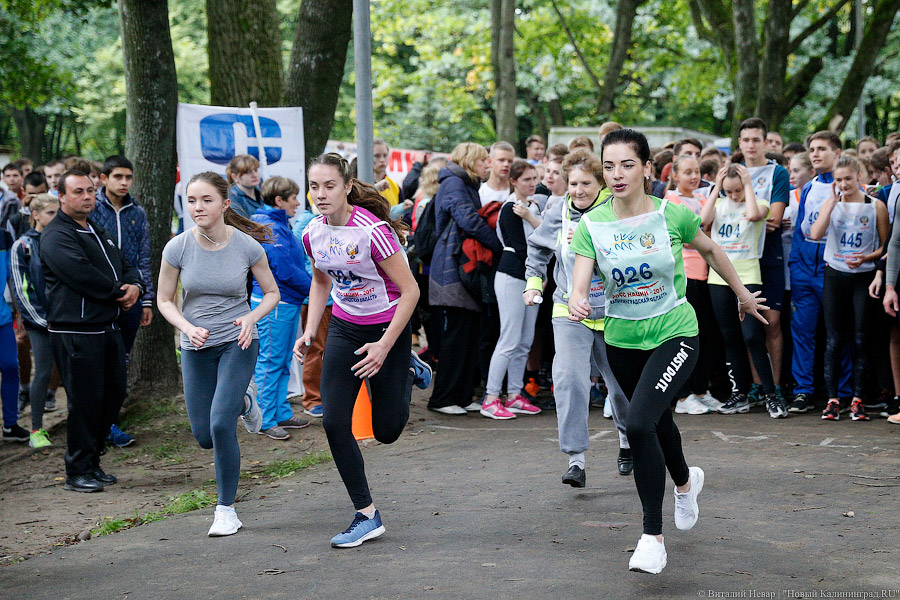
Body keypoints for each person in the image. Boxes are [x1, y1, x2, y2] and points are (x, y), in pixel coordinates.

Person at [568, 129, 767, 574]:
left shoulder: (670, 214)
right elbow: (581, 280)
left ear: (645, 170)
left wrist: (743, 296)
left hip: (676, 333)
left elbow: (712, 249)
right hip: (622, 340)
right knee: (657, 423)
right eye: (609, 166)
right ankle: (685, 481)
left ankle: (651, 537)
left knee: (638, 423)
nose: (616, 174)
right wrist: (579, 299)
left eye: (626, 165)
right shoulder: (592, 224)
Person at [296, 152, 421, 548]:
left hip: (387, 329)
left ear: (347, 186)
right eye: (314, 186)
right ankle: (366, 514)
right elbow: (320, 281)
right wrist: (311, 330)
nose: (320, 194)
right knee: (334, 422)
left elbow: (411, 290)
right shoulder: (312, 232)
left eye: (329, 185)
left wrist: (386, 347)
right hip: (346, 329)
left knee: (385, 431)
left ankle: (408, 368)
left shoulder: (373, 231)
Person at [158, 171, 279, 535]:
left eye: (206, 200)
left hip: (237, 341)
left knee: (219, 423)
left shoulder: (246, 246)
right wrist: (186, 327)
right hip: (196, 346)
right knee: (204, 435)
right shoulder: (177, 247)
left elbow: (272, 293)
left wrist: (250, 317)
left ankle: (226, 509)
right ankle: (245, 403)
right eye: (192, 200)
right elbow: (164, 300)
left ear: (225, 204)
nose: (198, 207)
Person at [524, 149, 633, 485]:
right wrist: (533, 284)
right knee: (570, 380)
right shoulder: (558, 210)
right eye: (573, 183)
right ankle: (576, 460)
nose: (579, 190)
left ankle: (628, 441)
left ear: (601, 184)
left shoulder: (616, 212)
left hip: (614, 311)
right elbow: (538, 249)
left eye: (586, 183)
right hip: (569, 308)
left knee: (619, 388)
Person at [40, 169, 144, 492]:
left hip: (108, 327)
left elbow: (124, 261)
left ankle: (93, 460)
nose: (87, 197)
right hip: (76, 332)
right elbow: (81, 275)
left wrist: (136, 285)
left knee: (113, 394)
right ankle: (78, 469)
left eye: (90, 191)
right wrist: (118, 290)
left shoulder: (97, 229)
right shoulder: (56, 235)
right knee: (85, 401)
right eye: (78, 192)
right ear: (61, 196)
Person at [809, 156, 888, 421]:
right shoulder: (831, 203)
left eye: (848, 179)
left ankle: (857, 398)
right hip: (835, 274)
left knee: (861, 338)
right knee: (833, 339)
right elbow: (815, 234)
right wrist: (831, 202)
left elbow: (885, 247)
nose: (843, 184)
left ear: (859, 178)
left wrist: (867, 258)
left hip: (863, 276)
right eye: (838, 179)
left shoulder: (875, 206)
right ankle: (833, 399)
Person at [700, 165, 783, 417]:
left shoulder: (759, 202)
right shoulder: (720, 203)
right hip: (718, 277)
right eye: (729, 191)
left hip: (748, 275)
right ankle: (739, 394)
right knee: (730, 339)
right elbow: (702, 221)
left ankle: (771, 395)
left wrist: (747, 185)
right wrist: (716, 188)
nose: (734, 195)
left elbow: (754, 216)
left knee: (752, 337)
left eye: (738, 190)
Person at [428, 143, 502, 414]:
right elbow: (469, 221)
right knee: (457, 335)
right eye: (484, 159)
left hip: (460, 265)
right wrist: (498, 244)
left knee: (468, 333)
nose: (488, 164)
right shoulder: (455, 184)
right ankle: (443, 398)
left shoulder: (463, 183)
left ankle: (460, 395)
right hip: (453, 267)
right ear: (471, 160)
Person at [788, 131, 853, 414]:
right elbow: (801, 230)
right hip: (804, 271)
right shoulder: (811, 187)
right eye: (812, 149)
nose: (815, 154)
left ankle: (845, 392)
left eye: (822, 149)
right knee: (802, 332)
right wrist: (796, 266)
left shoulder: (849, 189)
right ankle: (803, 391)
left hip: (834, 270)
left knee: (839, 333)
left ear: (837, 153)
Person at [92, 155, 154, 448]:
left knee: (122, 360)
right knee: (98, 361)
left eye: (128, 177)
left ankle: (112, 422)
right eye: (118, 176)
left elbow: (144, 256)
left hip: (133, 295)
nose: (124, 182)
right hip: (100, 298)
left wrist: (146, 299)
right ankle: (94, 422)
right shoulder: (91, 208)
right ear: (103, 178)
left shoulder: (137, 212)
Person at [250, 177, 312, 440]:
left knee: (283, 359)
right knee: (271, 360)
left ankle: (280, 412)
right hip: (276, 303)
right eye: (293, 198)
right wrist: (317, 289)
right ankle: (264, 419)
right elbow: (285, 270)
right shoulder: (270, 228)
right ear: (279, 200)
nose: (298, 203)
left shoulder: (276, 224)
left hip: (285, 302)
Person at [481, 160, 543, 419]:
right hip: (513, 277)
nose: (532, 183)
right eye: (527, 179)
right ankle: (491, 397)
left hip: (530, 278)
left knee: (524, 340)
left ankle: (514, 394)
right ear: (514, 181)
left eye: (534, 178)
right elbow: (522, 247)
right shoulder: (510, 209)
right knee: (509, 338)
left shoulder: (533, 207)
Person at [737, 118, 790, 408]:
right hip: (740, 257)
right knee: (749, 323)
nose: (750, 145)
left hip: (769, 255)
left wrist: (755, 218)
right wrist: (755, 218)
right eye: (745, 139)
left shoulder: (777, 173)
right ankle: (759, 385)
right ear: (740, 142)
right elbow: (726, 215)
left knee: (773, 321)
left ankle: (776, 386)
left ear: (766, 142)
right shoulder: (733, 171)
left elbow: (775, 219)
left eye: (756, 139)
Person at [664, 156, 723, 414]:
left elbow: (709, 228)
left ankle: (700, 390)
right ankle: (683, 395)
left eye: (697, 171)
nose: (693, 176)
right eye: (687, 172)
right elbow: (696, 231)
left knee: (704, 336)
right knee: (684, 337)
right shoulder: (670, 200)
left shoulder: (700, 199)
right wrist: (716, 189)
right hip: (684, 276)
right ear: (675, 175)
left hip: (705, 275)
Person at [10, 194, 58, 448]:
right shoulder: (23, 246)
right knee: (43, 372)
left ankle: (83, 425)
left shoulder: (62, 240)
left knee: (72, 372)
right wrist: (43, 320)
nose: (55, 218)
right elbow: (21, 290)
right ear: (35, 215)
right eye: (50, 213)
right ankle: (36, 430)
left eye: (57, 213)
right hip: (39, 322)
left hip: (66, 319)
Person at [226, 154, 263, 219]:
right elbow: (242, 225)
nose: (254, 175)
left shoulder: (262, 191)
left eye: (256, 170)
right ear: (235, 177)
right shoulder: (231, 198)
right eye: (248, 172)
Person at [373, 139, 404, 207]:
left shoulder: (395, 186)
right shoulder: (359, 184)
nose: (382, 160)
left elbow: (405, 215)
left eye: (385, 155)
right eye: (377, 156)